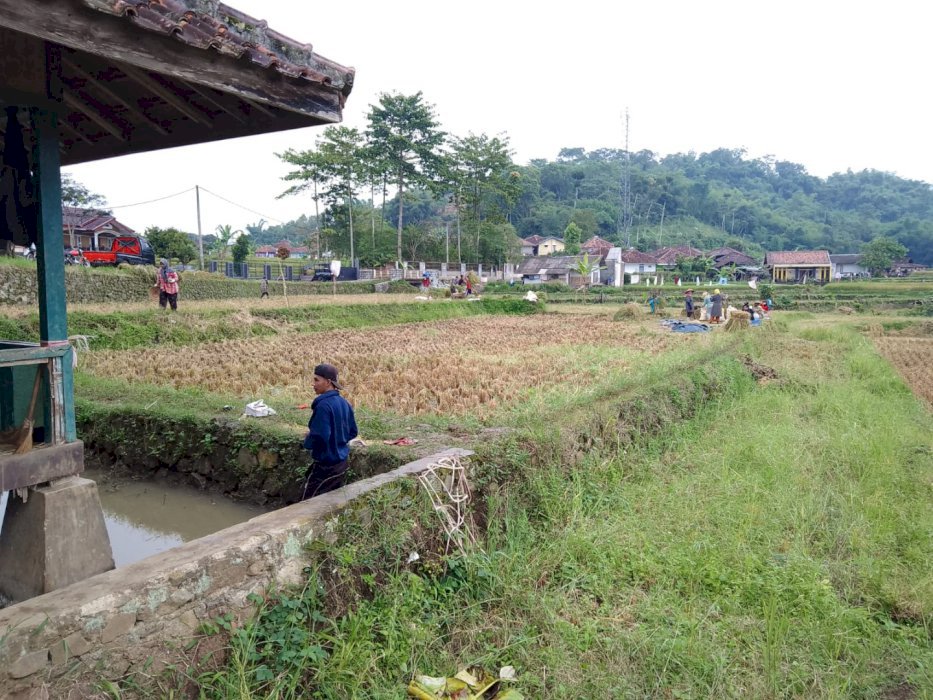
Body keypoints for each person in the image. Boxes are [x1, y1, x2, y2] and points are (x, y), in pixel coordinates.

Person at [301, 363, 358, 500]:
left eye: (316, 380)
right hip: (341, 465)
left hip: (325, 467)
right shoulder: (344, 403)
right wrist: (338, 441)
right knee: (330, 504)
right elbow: (353, 432)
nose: (313, 384)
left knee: (307, 506)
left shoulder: (323, 406)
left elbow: (321, 436)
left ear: (328, 382)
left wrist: (308, 441)